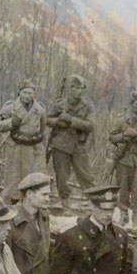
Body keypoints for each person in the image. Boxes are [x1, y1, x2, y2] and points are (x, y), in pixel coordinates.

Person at [47, 74, 96, 209]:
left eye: (82, 88)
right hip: (61, 145)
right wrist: (58, 122)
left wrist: (71, 120)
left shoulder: (87, 106)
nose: (80, 91)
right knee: (61, 177)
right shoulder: (60, 105)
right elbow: (47, 119)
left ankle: (94, 204)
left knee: (86, 176)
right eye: (77, 88)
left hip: (79, 146)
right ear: (70, 89)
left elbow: (90, 126)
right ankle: (65, 205)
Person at [108, 90, 137, 227]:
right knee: (122, 191)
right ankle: (124, 217)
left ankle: (135, 219)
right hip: (123, 161)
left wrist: (136, 135)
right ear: (131, 105)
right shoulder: (121, 120)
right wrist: (123, 136)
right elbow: (111, 137)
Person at [0, 79, 47, 204]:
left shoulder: (40, 110)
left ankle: (31, 203)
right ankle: (13, 203)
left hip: (33, 148)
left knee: (33, 177)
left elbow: (42, 127)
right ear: (19, 92)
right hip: (15, 147)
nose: (27, 96)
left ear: (34, 94)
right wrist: (12, 123)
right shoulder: (10, 107)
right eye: (24, 93)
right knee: (13, 178)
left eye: (30, 93)